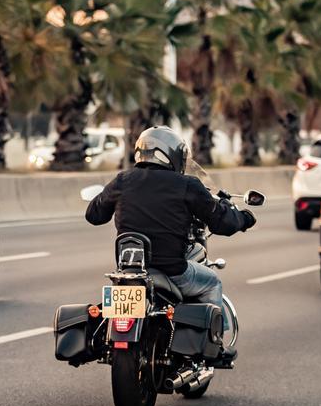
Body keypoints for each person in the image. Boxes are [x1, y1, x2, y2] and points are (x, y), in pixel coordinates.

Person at [85, 126, 255, 345]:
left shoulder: (123, 180)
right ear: (173, 154)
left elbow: (94, 215)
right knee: (212, 282)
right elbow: (223, 223)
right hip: (173, 270)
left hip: (130, 271)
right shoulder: (187, 185)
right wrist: (244, 218)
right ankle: (215, 345)